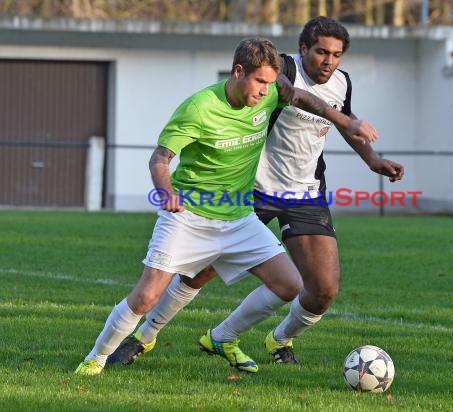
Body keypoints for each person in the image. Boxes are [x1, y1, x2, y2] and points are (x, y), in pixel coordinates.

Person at [107, 17, 404, 372]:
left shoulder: (342, 83)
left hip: (306, 193)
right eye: (322, 51)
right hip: (255, 189)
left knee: (323, 289)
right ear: (303, 48)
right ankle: (144, 337)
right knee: (198, 274)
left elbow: (345, 117)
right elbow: (298, 98)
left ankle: (258, 338)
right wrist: (347, 123)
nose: (329, 61)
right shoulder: (281, 71)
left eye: (337, 54)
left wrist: (373, 160)